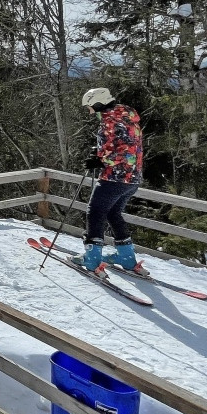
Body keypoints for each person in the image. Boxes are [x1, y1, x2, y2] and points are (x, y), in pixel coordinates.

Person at [72, 87, 147, 277]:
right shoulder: (127, 116)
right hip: (133, 177)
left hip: (115, 177)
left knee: (95, 212)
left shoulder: (109, 120)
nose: (89, 111)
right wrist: (99, 152)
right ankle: (126, 257)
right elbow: (127, 145)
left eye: (89, 107)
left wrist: (101, 160)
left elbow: (121, 151)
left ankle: (92, 259)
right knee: (114, 212)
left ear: (98, 103)